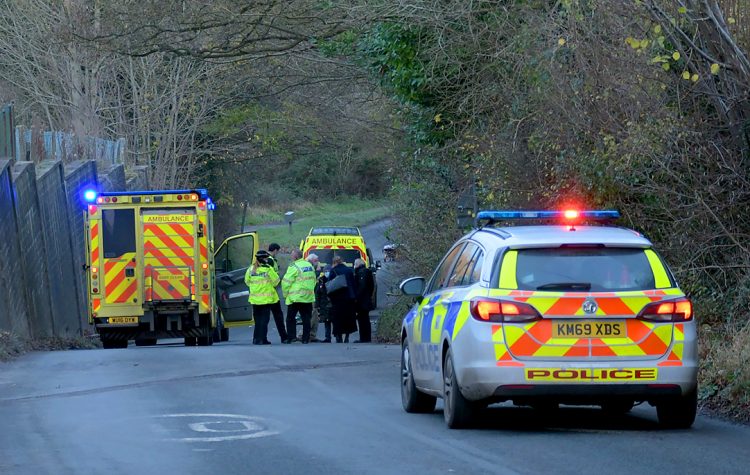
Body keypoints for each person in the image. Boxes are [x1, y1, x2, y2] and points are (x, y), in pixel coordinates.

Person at [244, 250, 279, 345]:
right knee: (264, 321)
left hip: (255, 300)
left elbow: (247, 281)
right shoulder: (268, 269)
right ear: (262, 259)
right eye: (266, 258)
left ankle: (256, 339)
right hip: (265, 300)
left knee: (258, 321)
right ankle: (263, 339)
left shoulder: (251, 269)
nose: (267, 260)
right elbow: (276, 281)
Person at [282, 249, 317, 343]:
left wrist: (286, 295)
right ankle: (305, 339)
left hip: (295, 298)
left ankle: (291, 337)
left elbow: (286, 282)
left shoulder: (293, 266)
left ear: (295, 257)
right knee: (306, 319)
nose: (291, 256)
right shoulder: (309, 265)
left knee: (290, 318)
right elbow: (314, 280)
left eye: (292, 255)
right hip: (308, 298)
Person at [327, 255, 357, 343]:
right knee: (348, 317)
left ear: (334, 262)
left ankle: (338, 336)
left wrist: (330, 297)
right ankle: (347, 335)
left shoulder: (333, 271)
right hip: (348, 298)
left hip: (337, 298)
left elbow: (330, 286)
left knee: (337, 318)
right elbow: (353, 283)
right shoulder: (349, 270)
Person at [266, 243, 288, 343]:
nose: (277, 253)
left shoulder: (268, 259)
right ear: (275, 250)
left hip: (269, 292)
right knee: (278, 315)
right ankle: (284, 337)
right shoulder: (270, 260)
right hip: (271, 292)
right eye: (277, 251)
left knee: (268, 316)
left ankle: (260, 337)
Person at [301, 253, 322, 341]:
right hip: (309, 295)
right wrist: (318, 271)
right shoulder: (309, 268)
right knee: (311, 315)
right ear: (310, 261)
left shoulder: (312, 267)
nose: (318, 262)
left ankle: (312, 334)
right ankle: (302, 334)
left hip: (314, 294)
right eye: (316, 261)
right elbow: (313, 278)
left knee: (315, 316)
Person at [353, 258, 374, 343]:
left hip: (362, 301)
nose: (354, 266)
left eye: (355, 264)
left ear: (358, 264)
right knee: (364, 319)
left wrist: (356, 297)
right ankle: (366, 337)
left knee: (362, 320)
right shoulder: (366, 272)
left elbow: (362, 286)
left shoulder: (362, 272)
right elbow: (371, 287)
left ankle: (364, 338)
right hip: (366, 299)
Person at [315, 265, 334, 343]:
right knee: (327, 321)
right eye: (325, 271)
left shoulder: (334, 279)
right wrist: (317, 304)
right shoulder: (321, 280)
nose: (327, 273)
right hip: (324, 304)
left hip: (332, 303)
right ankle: (327, 337)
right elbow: (318, 293)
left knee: (334, 321)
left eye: (328, 271)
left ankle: (338, 337)